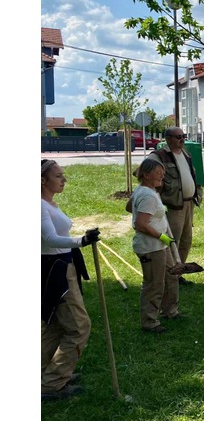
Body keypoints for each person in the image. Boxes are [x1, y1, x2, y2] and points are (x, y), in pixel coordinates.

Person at [41, 159, 100, 401]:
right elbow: (51, 238)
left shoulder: (48, 204)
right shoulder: (36, 206)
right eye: (58, 176)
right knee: (79, 327)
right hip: (55, 270)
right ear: (42, 180)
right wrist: (81, 241)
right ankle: (52, 383)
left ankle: (47, 372)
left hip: (63, 265)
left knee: (56, 326)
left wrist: (80, 241)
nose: (63, 179)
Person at [147, 126, 202, 285]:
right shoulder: (159, 156)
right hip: (173, 206)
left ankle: (177, 275)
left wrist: (197, 192)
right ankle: (169, 276)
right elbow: (143, 174)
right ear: (168, 138)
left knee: (186, 240)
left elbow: (192, 174)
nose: (182, 139)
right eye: (178, 136)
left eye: (183, 136)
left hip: (188, 204)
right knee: (173, 242)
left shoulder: (185, 153)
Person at [131, 159, 180, 333]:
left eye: (163, 173)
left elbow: (130, 206)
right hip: (151, 247)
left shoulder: (147, 191)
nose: (162, 177)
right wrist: (162, 236)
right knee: (154, 284)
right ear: (145, 174)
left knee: (171, 276)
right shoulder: (147, 195)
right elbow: (140, 224)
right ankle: (149, 321)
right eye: (158, 173)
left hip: (160, 245)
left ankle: (169, 311)